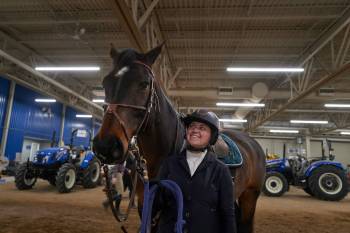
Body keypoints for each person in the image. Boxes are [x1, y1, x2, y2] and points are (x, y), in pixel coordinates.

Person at [153, 109, 237, 233]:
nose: (195, 130)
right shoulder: (168, 164)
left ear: (211, 136)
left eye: (202, 128)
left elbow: (228, 212)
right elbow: (156, 204)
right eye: (192, 126)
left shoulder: (221, 170)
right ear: (186, 131)